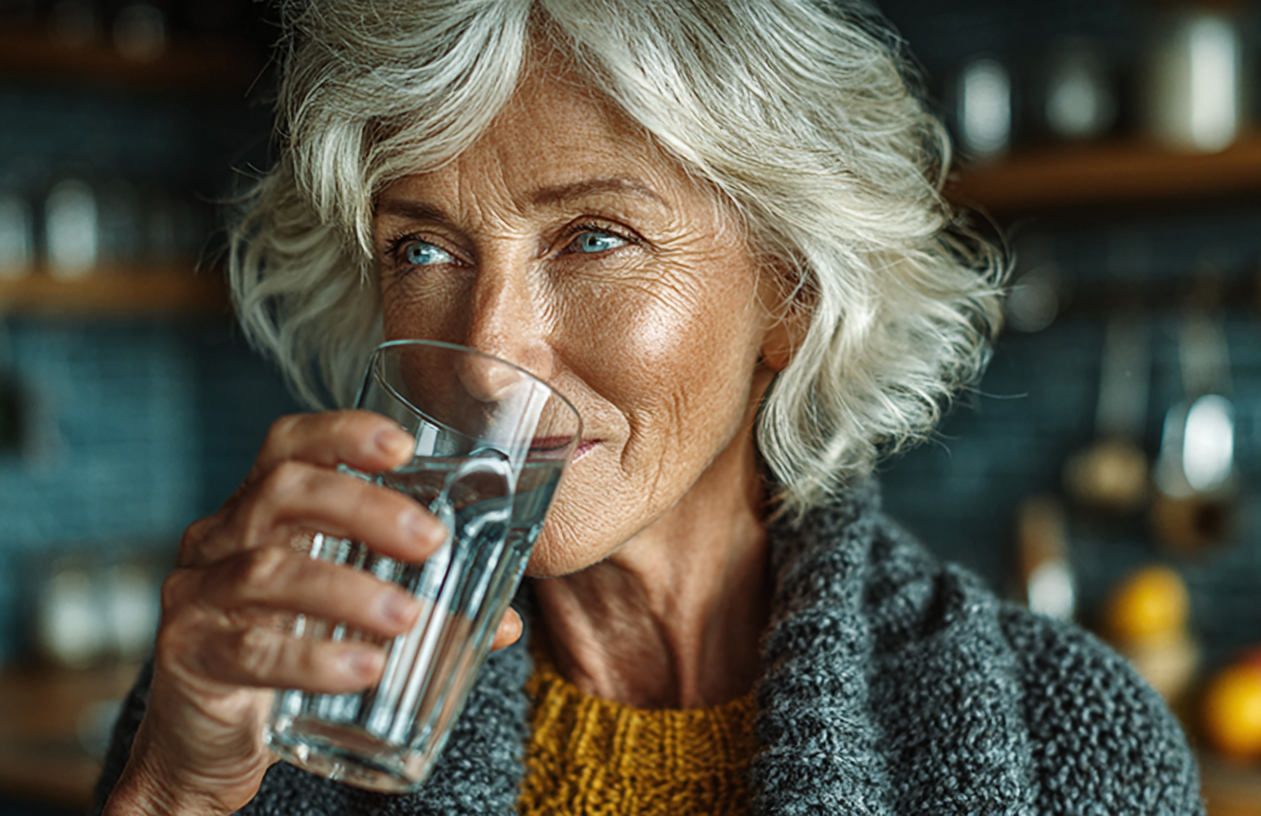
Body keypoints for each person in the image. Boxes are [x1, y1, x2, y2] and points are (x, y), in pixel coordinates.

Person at [96, 1, 1204, 814]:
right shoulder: (272, 686)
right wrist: (170, 789)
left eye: (592, 237)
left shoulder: (1069, 745)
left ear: (791, 297)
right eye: (422, 247)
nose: (485, 356)